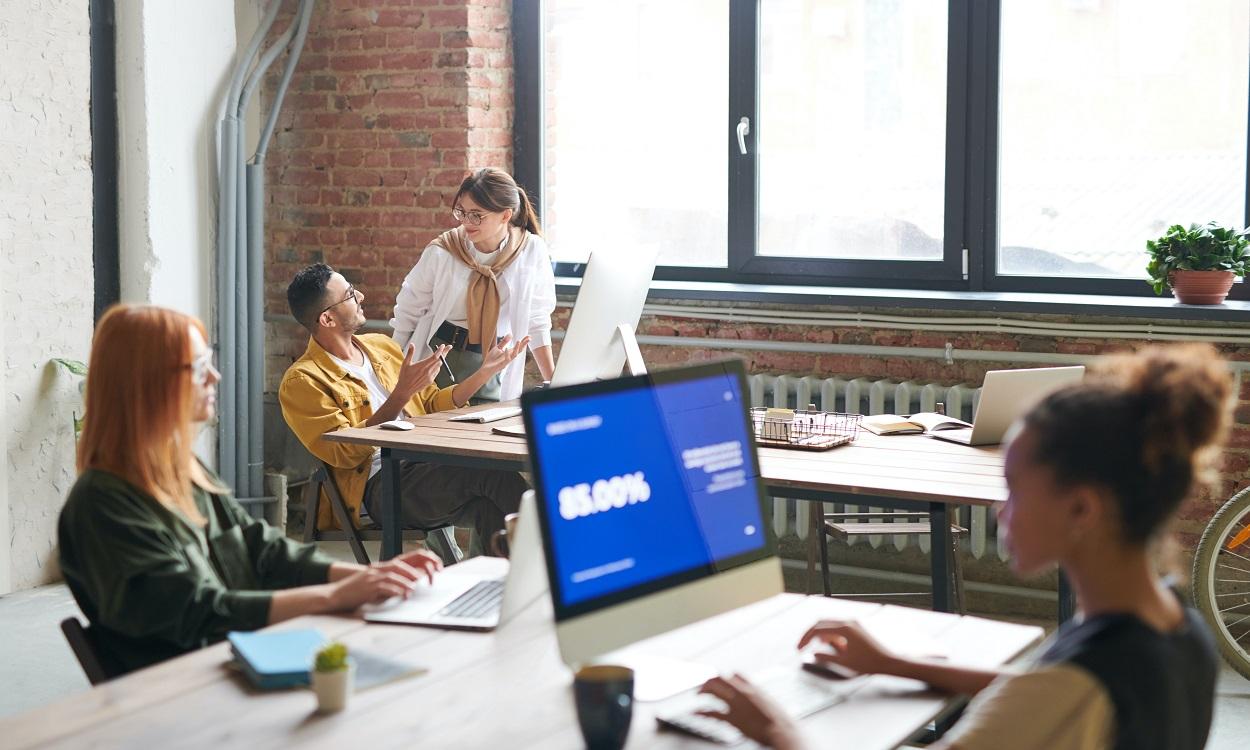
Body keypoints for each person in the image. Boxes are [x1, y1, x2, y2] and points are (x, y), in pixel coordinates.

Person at [699, 344, 1230, 750]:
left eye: (1015, 491)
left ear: (1081, 510)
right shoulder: (1178, 626)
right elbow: (1040, 689)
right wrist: (896, 663)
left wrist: (775, 730)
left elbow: (1051, 695)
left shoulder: (1069, 692)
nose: (1001, 510)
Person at [58, 305, 444, 677]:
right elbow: (198, 612)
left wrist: (370, 576)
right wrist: (336, 596)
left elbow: (262, 550)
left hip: (240, 658)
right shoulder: (103, 504)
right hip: (187, 689)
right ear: (147, 382)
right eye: (197, 368)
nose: (214, 377)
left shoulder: (185, 471)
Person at [279, 263, 529, 557]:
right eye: (348, 294)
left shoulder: (381, 347)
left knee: (492, 505)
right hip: (380, 486)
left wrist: (482, 374)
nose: (359, 295)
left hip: (425, 464)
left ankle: (501, 593)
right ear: (327, 318)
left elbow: (432, 403)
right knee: (492, 474)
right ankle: (566, 549)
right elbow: (344, 451)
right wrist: (400, 394)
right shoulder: (303, 380)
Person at [390, 167, 556, 402]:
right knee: (434, 430)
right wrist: (390, 372)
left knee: (484, 432)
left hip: (491, 361)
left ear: (505, 215)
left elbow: (537, 320)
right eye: (462, 212)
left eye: (477, 215)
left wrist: (556, 386)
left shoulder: (530, 251)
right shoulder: (444, 250)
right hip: (437, 356)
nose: (467, 222)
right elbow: (408, 312)